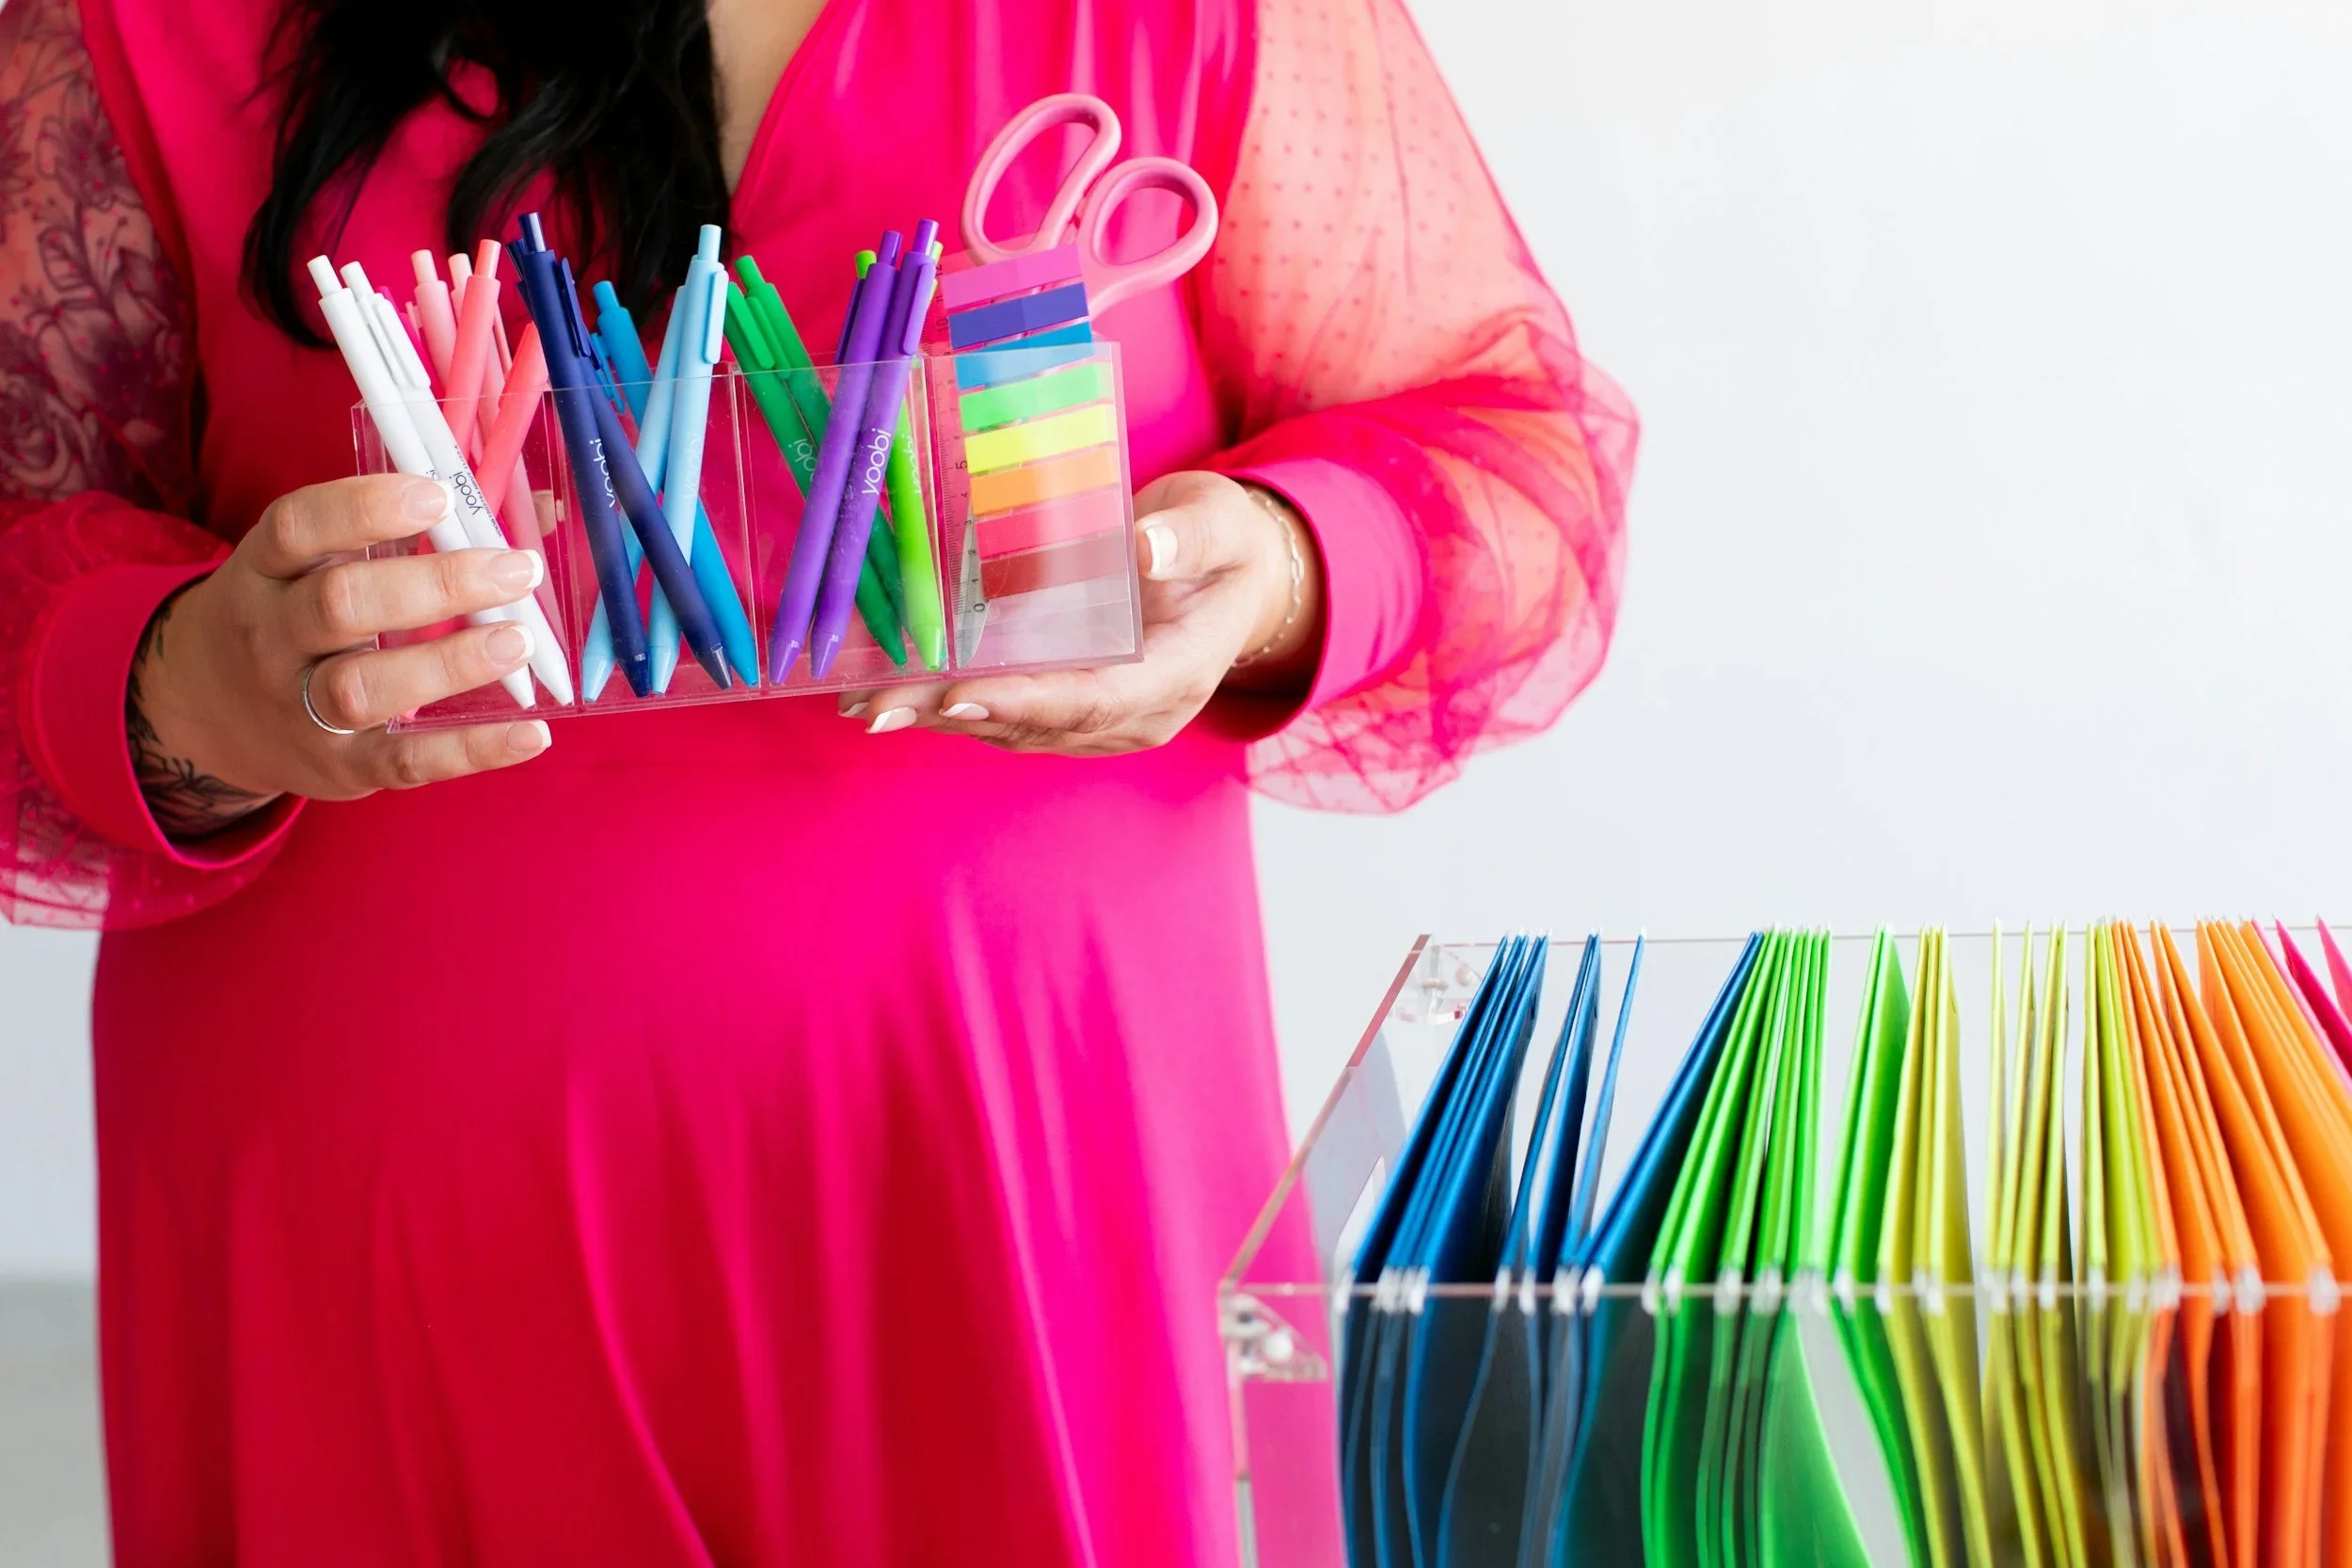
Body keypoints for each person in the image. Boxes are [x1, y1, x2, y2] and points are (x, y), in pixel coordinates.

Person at [0, 0, 1633, 1559]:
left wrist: (1277, 569)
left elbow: (1513, 465)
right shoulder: (152, 28)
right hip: (383, 1260)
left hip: (1021, 1213)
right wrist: (180, 680)